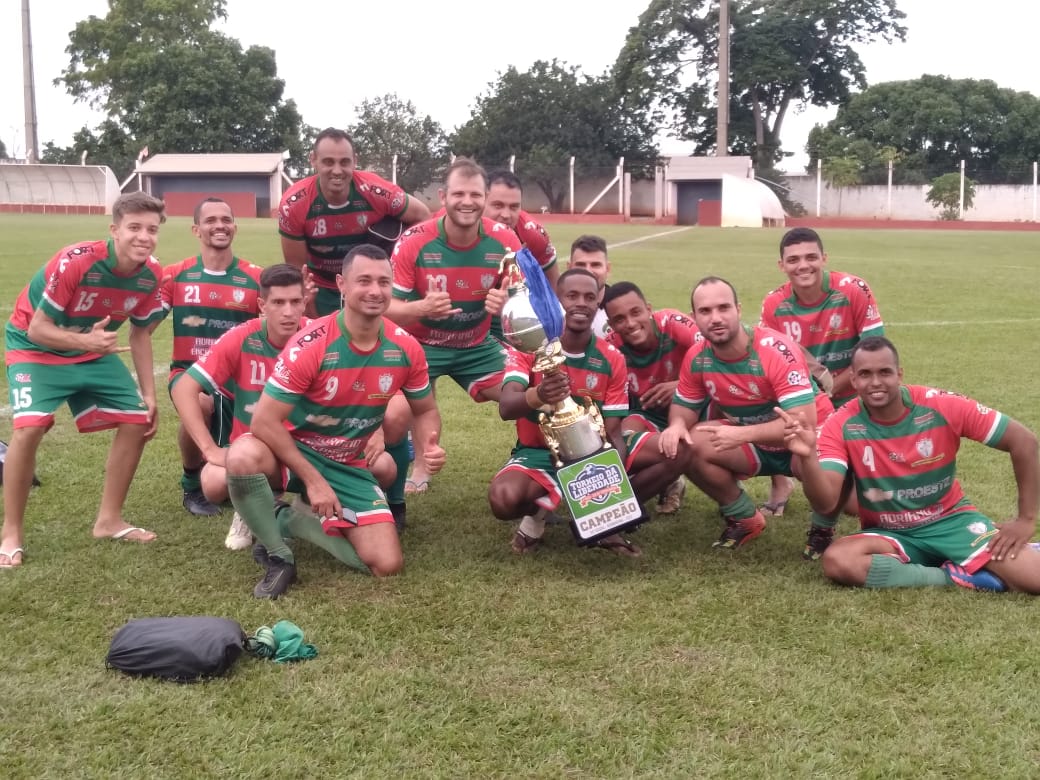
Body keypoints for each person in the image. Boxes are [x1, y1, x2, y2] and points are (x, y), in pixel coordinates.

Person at [225, 245, 445, 599]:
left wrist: (429, 445)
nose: (375, 290)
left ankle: (290, 519)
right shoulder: (310, 344)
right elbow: (265, 421)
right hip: (291, 453)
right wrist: (313, 482)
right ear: (341, 284)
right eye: (364, 281)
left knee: (387, 565)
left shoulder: (406, 348)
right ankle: (279, 556)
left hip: (347, 462)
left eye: (384, 282)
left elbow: (424, 409)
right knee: (241, 456)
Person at [778, 336, 1040, 594]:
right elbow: (825, 502)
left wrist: (1026, 519)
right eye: (866, 374)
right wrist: (809, 456)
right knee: (839, 561)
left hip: (950, 521)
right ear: (854, 379)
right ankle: (952, 576)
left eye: (885, 372)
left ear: (899, 374)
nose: (876, 382)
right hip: (891, 533)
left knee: (1035, 579)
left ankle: (1012, 554)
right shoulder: (841, 423)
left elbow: (1024, 442)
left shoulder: (941, 405)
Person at [1, 192, 167, 568]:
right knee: (29, 429)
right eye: (134, 228)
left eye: (152, 229)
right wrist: (86, 341)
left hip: (92, 351)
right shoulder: (77, 260)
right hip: (35, 348)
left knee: (136, 421)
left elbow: (139, 335)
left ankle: (109, 521)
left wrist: (149, 393)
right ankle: (11, 531)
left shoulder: (152, 275)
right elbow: (38, 329)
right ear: (114, 230)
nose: (143, 237)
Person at [488, 269, 684, 555]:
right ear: (556, 302)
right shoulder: (531, 345)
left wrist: (608, 483)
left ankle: (607, 524)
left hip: (595, 449)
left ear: (597, 305)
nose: (581, 303)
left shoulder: (611, 357)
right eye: (572, 296)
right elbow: (507, 407)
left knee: (680, 451)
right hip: (540, 450)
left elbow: (613, 430)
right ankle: (536, 516)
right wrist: (538, 395)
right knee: (503, 499)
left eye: (590, 297)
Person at [659, 276, 834, 551]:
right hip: (757, 441)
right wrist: (676, 425)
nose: (715, 318)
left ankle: (824, 526)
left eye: (723, 308)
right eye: (705, 311)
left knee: (835, 490)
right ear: (694, 317)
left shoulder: (775, 351)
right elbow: (684, 409)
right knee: (689, 443)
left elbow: (802, 425)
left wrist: (742, 433)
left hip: (809, 438)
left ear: (738, 310)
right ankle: (744, 517)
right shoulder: (697, 357)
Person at [387, 157, 523, 494]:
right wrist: (421, 307)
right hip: (420, 347)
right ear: (442, 196)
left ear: (486, 199)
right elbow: (385, 308)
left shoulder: (505, 240)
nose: (467, 202)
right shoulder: (415, 240)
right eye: (459, 193)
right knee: (394, 417)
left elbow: (530, 304)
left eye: (476, 195)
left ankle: (529, 462)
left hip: (476, 346)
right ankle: (414, 468)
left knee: (531, 393)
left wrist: (509, 307)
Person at [170, 264, 310, 550]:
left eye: (295, 302)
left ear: (305, 302)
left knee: (382, 467)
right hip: (255, 450)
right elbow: (185, 387)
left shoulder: (318, 337)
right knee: (211, 481)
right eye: (278, 302)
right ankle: (252, 508)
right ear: (262, 305)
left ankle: (300, 500)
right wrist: (209, 450)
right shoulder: (243, 337)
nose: (288, 312)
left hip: (306, 448)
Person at [758, 226, 885, 518]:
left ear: (824, 258)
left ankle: (861, 481)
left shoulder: (854, 289)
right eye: (793, 260)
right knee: (759, 399)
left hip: (853, 394)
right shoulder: (774, 304)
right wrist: (814, 394)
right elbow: (770, 362)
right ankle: (780, 483)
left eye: (811, 257)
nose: (803, 265)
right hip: (806, 397)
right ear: (782, 265)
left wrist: (832, 387)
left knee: (853, 496)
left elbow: (874, 353)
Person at [160, 197, 265, 516]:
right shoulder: (175, 275)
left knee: (228, 480)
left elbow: (279, 327)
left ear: (235, 226)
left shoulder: (256, 278)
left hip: (240, 381)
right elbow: (143, 323)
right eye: (211, 220)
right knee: (200, 403)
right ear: (196, 229)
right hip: (189, 375)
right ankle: (191, 485)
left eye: (226, 219)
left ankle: (260, 478)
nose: (219, 225)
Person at [279, 127, 431, 318]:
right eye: (328, 162)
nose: (337, 171)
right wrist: (309, 310)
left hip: (370, 283)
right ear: (313, 160)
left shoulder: (377, 191)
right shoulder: (293, 204)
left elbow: (423, 216)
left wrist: (402, 263)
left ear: (355, 161)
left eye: (344, 162)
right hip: (322, 285)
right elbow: (297, 271)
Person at [603, 281, 700, 515]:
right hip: (646, 412)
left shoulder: (674, 323)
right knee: (623, 442)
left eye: (636, 312)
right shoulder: (610, 347)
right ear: (611, 324)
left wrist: (681, 385)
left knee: (697, 441)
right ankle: (624, 506)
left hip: (694, 409)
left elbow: (714, 357)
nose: (630, 323)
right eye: (619, 319)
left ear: (649, 309)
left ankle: (732, 499)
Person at [567, 234, 612, 337]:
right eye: (580, 265)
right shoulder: (555, 307)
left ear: (608, 269)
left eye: (596, 265)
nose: (588, 271)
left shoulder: (620, 309)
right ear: (569, 267)